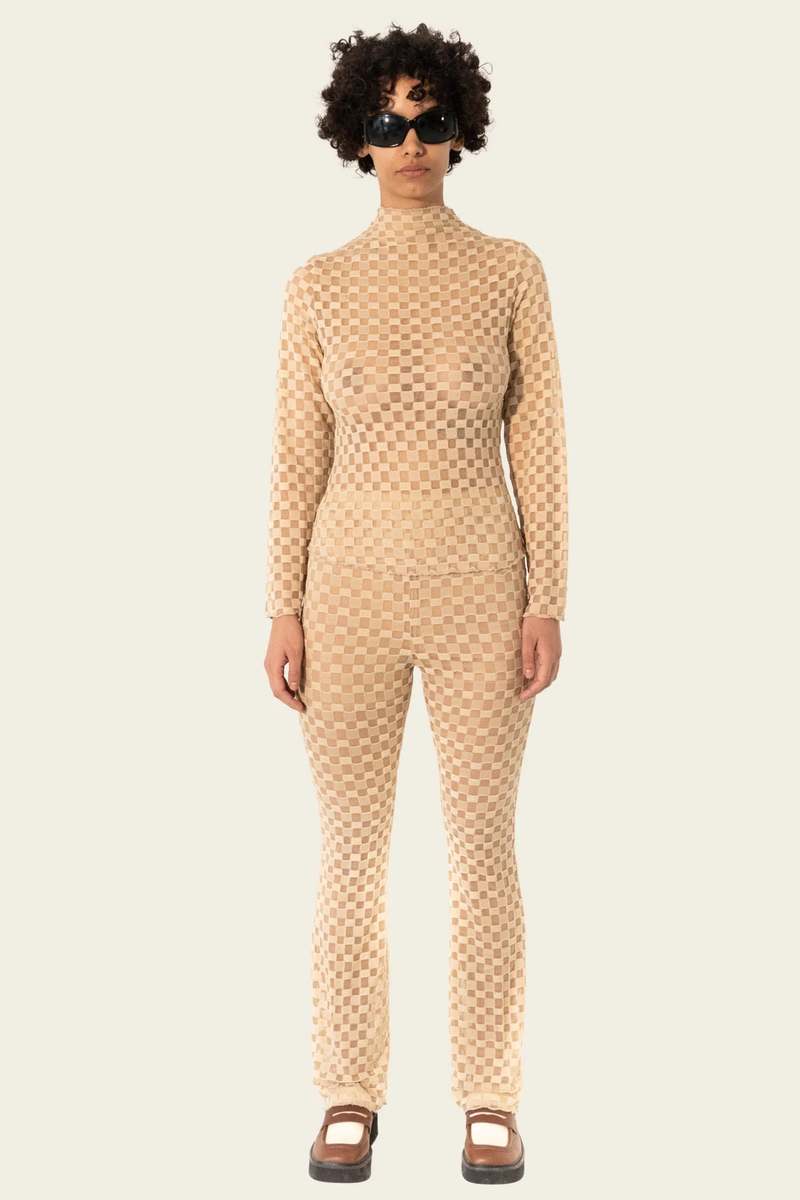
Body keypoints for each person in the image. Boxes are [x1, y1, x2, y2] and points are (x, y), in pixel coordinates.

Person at [263, 22, 568, 1185]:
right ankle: (346, 1090)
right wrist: (281, 606)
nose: (408, 142)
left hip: (482, 592)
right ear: (354, 138)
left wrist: (548, 595)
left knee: (482, 847)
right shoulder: (317, 285)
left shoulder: (510, 271)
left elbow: (539, 441)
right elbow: (295, 456)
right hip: (343, 594)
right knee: (349, 852)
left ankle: (489, 1094)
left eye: (430, 120)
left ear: (460, 132)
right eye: (385, 123)